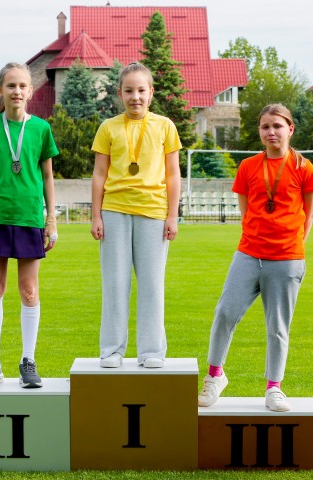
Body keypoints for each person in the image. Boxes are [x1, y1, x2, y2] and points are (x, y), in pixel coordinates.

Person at [197, 103, 313, 411]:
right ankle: (215, 376)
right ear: (260, 132)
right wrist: (257, 239)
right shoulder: (249, 167)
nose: (271, 131)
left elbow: (308, 215)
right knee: (225, 312)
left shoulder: (304, 168)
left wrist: (290, 246)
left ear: (290, 129)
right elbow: (245, 210)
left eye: (277, 126)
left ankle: (274, 388)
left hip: (287, 258)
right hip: (249, 254)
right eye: (265, 126)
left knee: (277, 327)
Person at [0, 62, 59, 389]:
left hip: (29, 219)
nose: (17, 91)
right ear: (0, 91)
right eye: (10, 86)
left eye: (22, 86)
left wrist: (51, 219)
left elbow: (48, 176)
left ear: (30, 91)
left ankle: (28, 360)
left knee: (29, 290)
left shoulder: (41, 129)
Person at [90, 62, 182, 369]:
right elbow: (99, 174)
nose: (135, 97)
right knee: (115, 284)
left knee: (152, 285)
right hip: (114, 211)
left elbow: (173, 174)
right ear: (119, 93)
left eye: (141, 90)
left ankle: (151, 351)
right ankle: (112, 351)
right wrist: (96, 216)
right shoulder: (108, 128)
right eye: (129, 91)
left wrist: (172, 215)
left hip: (154, 213)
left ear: (151, 92)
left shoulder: (165, 126)